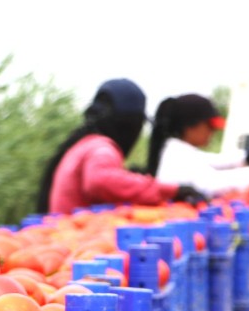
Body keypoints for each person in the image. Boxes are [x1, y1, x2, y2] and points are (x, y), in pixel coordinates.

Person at [37, 79, 205, 214]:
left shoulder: (84, 144)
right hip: (78, 243)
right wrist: (173, 191)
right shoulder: (101, 148)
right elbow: (99, 180)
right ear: (129, 123)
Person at [146, 94, 249, 195]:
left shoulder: (181, 151)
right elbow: (212, 183)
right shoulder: (177, 156)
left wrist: (246, 157)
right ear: (190, 126)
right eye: (210, 126)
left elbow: (215, 160)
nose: (212, 132)